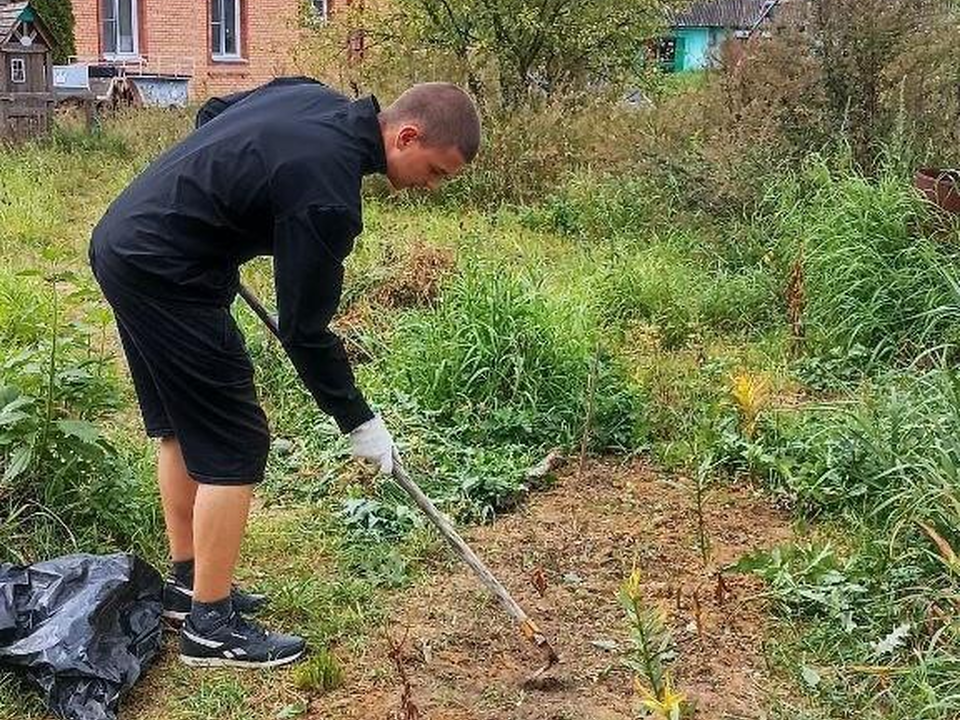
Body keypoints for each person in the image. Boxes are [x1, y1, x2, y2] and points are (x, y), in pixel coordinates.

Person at [88, 78, 481, 669]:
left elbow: (214, 113)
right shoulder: (328, 195)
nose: (432, 186)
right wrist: (358, 420)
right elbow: (305, 331)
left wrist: (219, 210)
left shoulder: (310, 96)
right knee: (236, 443)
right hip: (170, 273)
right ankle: (211, 626)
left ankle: (190, 584)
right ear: (406, 136)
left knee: (177, 425)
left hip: (125, 240)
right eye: (437, 171)